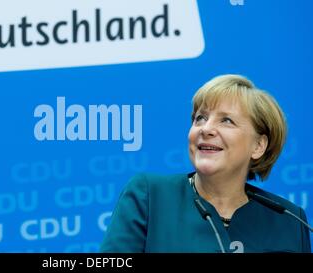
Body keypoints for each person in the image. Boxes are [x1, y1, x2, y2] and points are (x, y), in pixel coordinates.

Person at [100, 74, 311, 253]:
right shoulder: (150, 196)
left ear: (258, 145)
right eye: (200, 118)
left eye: (226, 120)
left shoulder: (290, 219)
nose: (206, 129)